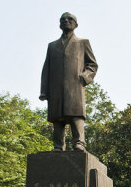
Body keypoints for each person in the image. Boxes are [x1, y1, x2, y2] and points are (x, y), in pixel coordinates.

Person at [40, 12, 98, 151]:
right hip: (56, 88)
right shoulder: (52, 46)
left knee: (76, 114)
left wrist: (84, 77)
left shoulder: (83, 43)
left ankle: (79, 142)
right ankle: (58, 146)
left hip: (75, 85)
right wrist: (44, 90)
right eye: (63, 19)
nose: (66, 21)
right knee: (57, 117)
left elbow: (93, 65)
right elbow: (46, 69)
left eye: (69, 19)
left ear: (76, 24)